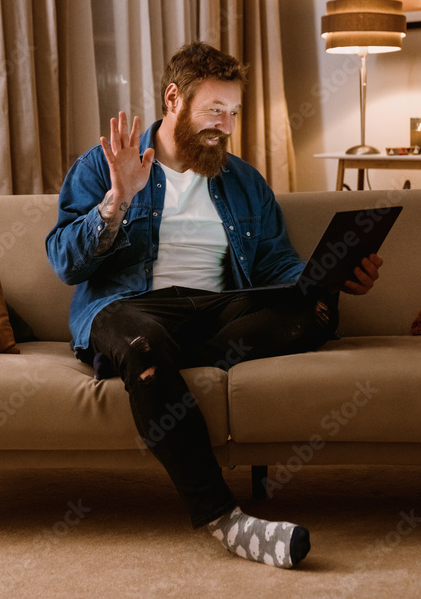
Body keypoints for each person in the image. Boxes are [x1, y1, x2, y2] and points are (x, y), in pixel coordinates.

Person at [46, 41, 382, 569]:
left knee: (313, 310)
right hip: (131, 310)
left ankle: (167, 364)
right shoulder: (106, 164)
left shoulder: (243, 181)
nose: (226, 126)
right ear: (173, 98)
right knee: (143, 343)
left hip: (218, 310)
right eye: (214, 111)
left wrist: (331, 278)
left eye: (233, 113)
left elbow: (278, 269)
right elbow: (65, 262)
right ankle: (227, 521)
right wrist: (116, 203)